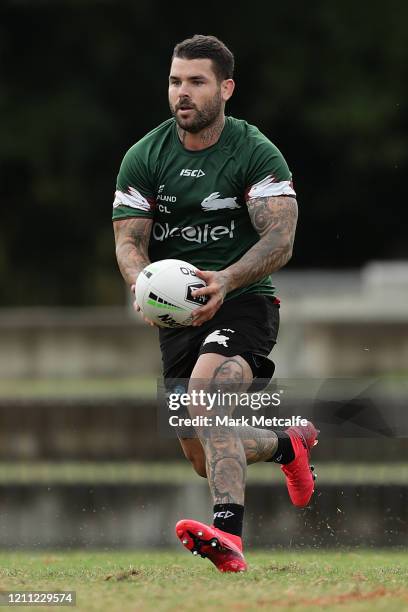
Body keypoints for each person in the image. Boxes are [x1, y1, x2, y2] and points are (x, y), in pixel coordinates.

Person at [113, 34, 318, 572]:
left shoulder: (253, 151)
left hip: (244, 302)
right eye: (176, 81)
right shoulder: (144, 156)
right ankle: (285, 446)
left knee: (208, 395)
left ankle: (229, 536)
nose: (183, 92)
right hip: (177, 317)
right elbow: (129, 242)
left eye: (197, 82)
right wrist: (141, 284)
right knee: (203, 456)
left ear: (225, 88)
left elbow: (281, 238)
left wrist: (226, 279)